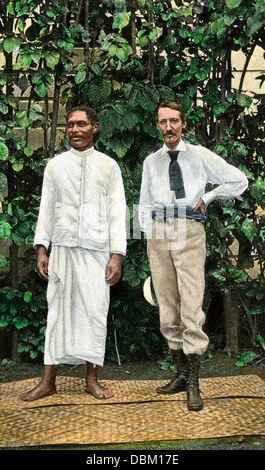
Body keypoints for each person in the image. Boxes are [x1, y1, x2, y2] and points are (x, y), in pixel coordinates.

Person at [139, 101, 248, 411]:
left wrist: (209, 197)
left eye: (174, 121)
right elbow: (145, 202)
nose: (169, 127)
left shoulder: (199, 155)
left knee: (191, 302)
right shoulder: (152, 162)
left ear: (183, 123)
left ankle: (194, 384)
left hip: (189, 228)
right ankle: (181, 375)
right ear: (157, 125)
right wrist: (147, 238)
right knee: (167, 304)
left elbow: (239, 180)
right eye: (163, 122)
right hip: (159, 232)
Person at [21, 105, 127, 401]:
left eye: (81, 124)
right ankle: (48, 380)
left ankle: (91, 380)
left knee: (95, 311)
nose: (75, 130)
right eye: (70, 125)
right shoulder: (55, 165)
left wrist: (116, 255)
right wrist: (42, 249)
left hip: (97, 251)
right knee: (57, 313)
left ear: (95, 128)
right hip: (63, 248)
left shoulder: (109, 166)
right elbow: (46, 209)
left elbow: (118, 213)